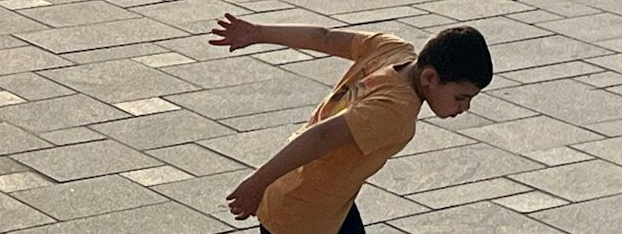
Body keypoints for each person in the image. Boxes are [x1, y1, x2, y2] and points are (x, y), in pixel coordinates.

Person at [210, 14, 491, 234]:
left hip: (320, 200)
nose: (464, 108)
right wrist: (256, 183)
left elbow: (324, 37)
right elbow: (322, 137)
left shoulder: (393, 48)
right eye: (460, 97)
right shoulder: (396, 112)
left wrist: (258, 32)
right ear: (429, 78)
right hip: (303, 214)